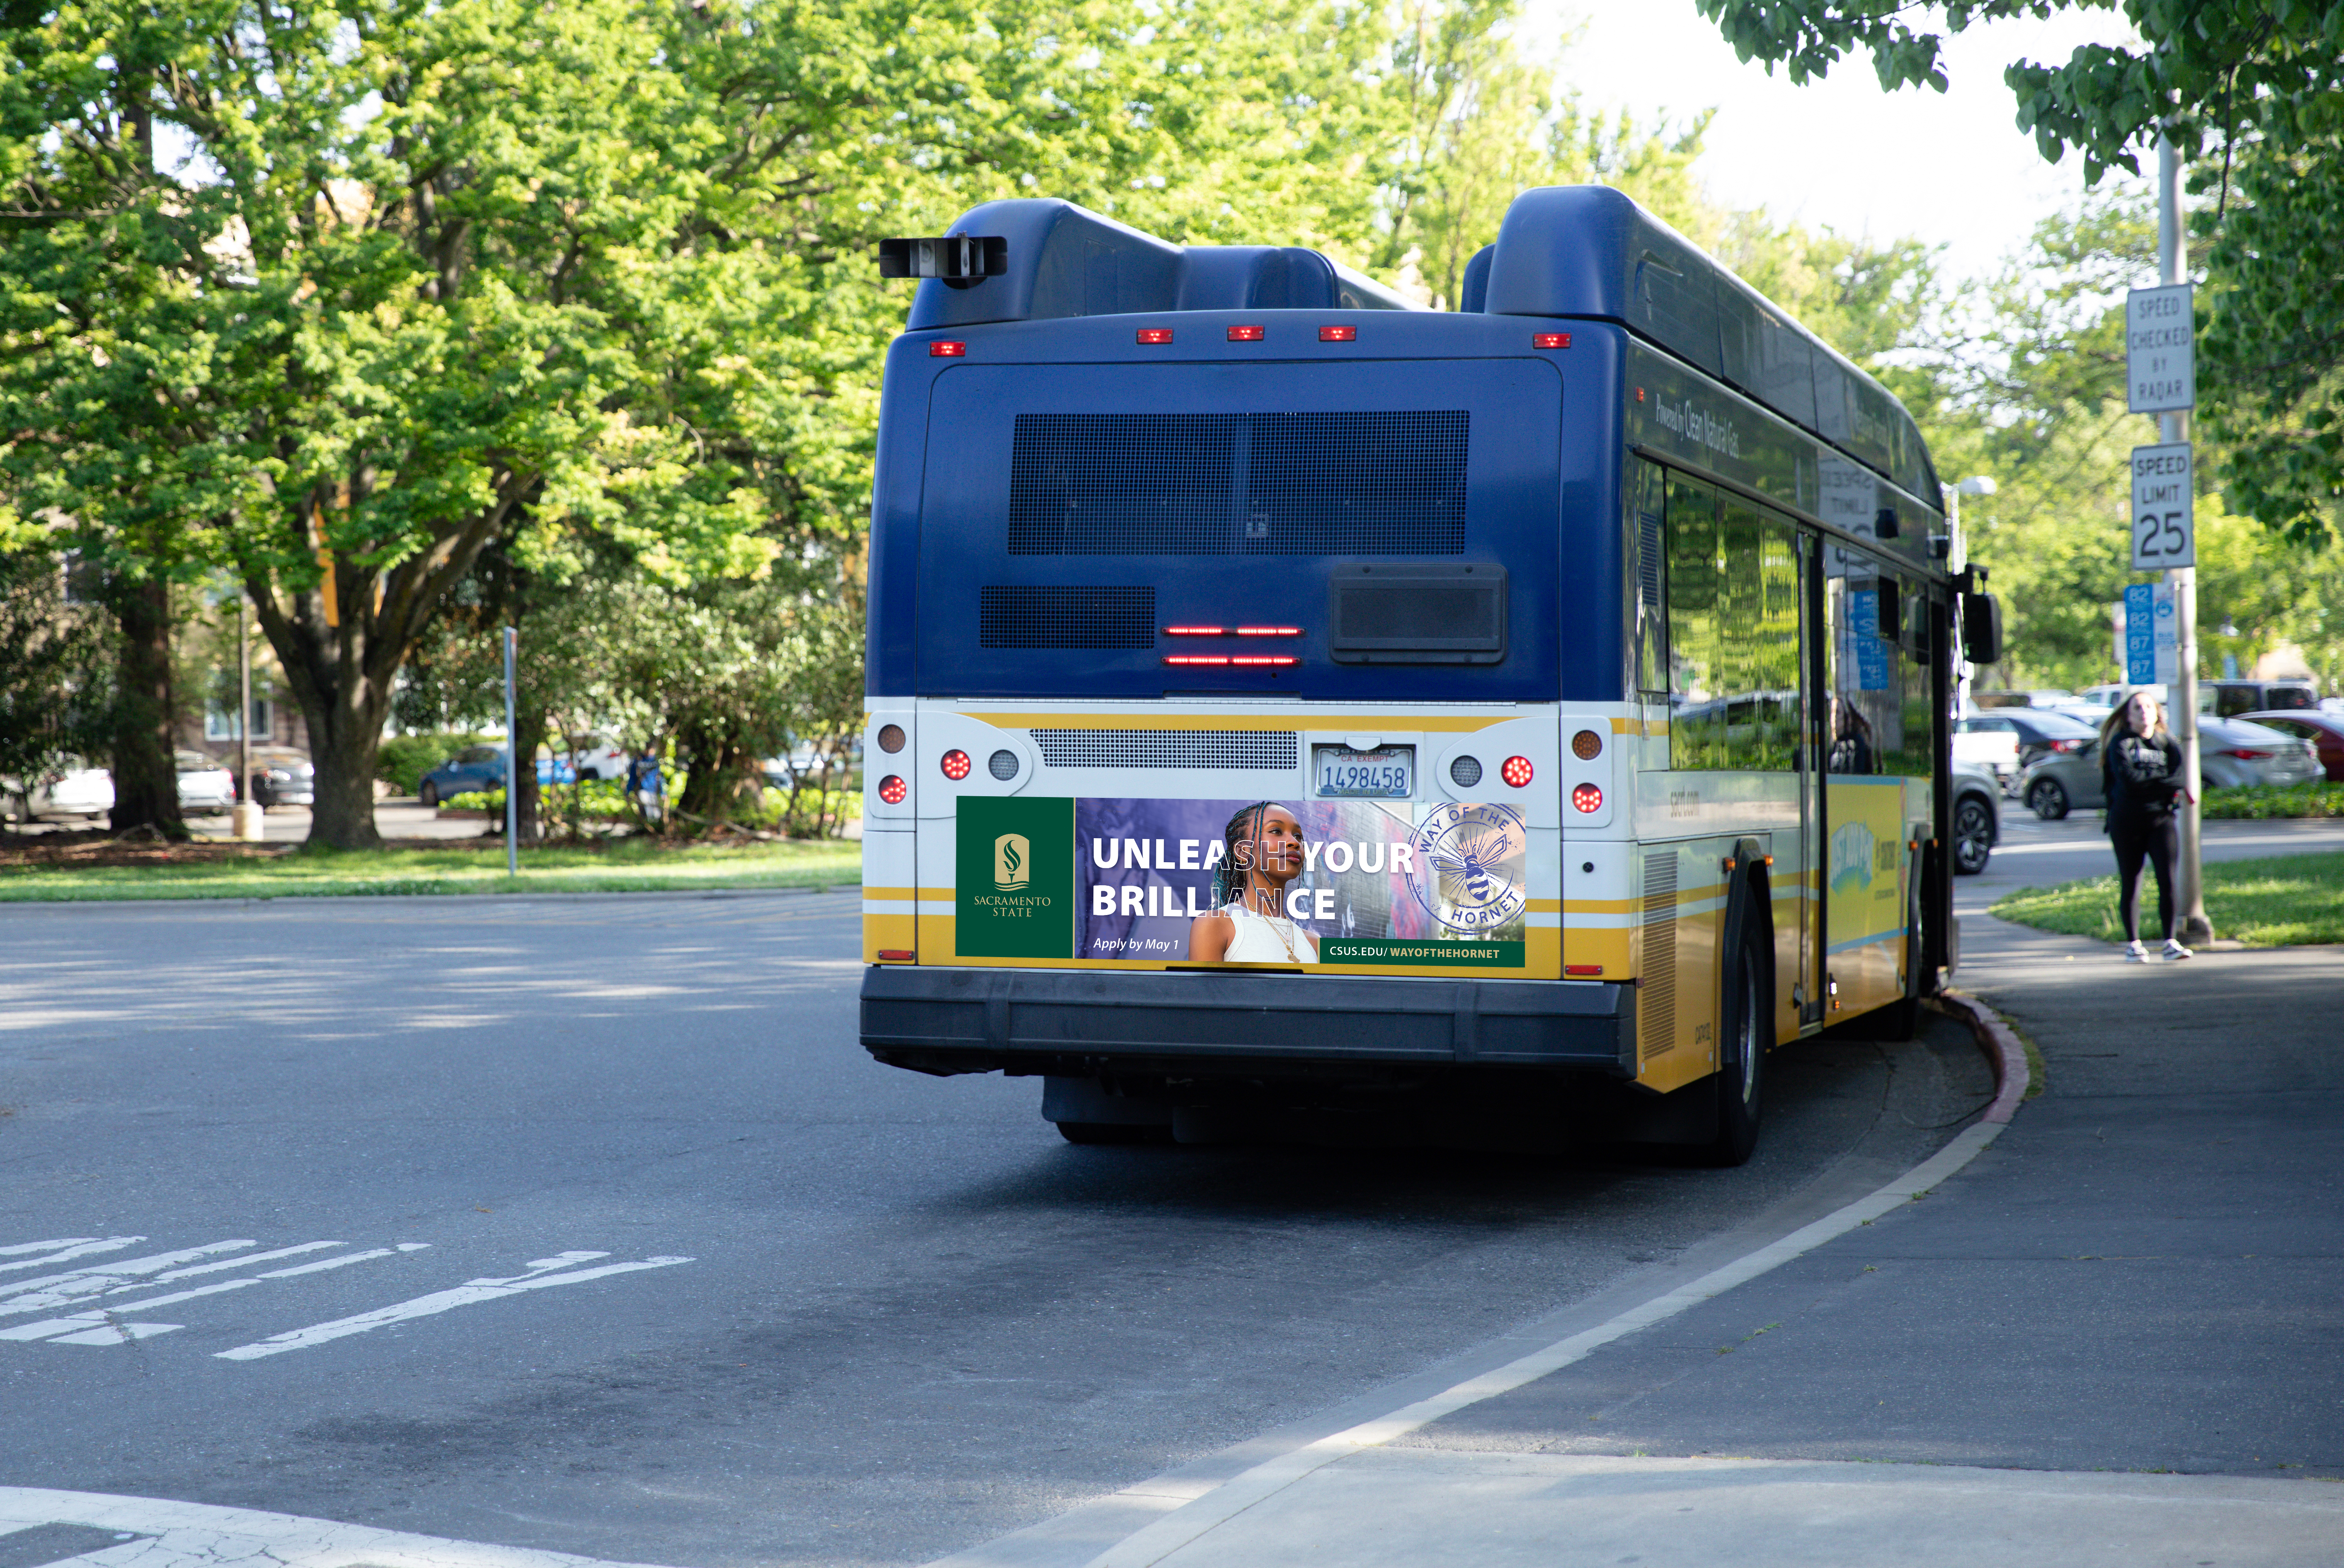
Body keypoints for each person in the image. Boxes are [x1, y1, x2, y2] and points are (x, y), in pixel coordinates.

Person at [2099, 689, 2191, 961]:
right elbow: (2129, 781)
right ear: (2127, 716)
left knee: (2167, 880)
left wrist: (2149, 783)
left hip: (2161, 820)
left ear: (2156, 713)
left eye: (2148, 707)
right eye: (2137, 708)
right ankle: (2133, 944)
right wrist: (2159, 782)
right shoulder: (2121, 743)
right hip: (2126, 822)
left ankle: (2170, 941)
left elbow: (2180, 779)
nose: (2143, 712)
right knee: (2131, 881)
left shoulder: (2167, 744)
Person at [1185, 802, 1320, 963]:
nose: (1295, 843)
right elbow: (1205, 989)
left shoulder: (1315, 944)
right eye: (1276, 831)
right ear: (1244, 851)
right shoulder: (1215, 925)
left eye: (1298, 836)